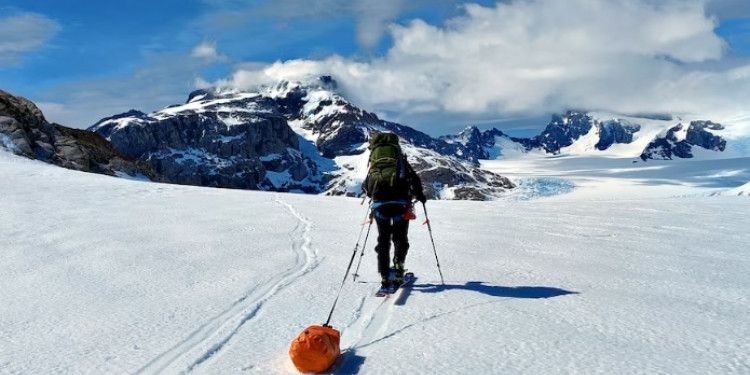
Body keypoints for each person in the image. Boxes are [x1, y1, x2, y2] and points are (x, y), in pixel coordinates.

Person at [362, 132, 427, 292]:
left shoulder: (374, 161)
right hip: (400, 205)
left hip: (380, 206)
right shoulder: (400, 160)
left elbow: (366, 186)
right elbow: (414, 179)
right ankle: (398, 272)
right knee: (400, 238)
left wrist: (375, 196)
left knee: (383, 240)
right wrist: (420, 196)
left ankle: (384, 277)